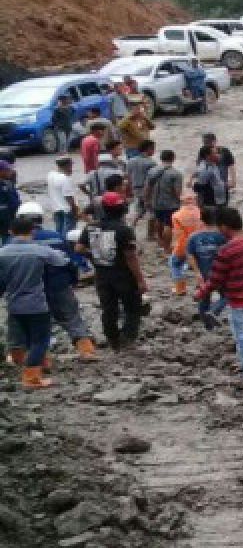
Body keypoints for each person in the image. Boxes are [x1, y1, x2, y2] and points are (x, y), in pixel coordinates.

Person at [195, 207, 243, 382]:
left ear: (223, 227)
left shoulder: (227, 251)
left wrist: (201, 293)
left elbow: (215, 280)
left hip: (241, 298)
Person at [0, 216, 71, 388]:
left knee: (21, 338)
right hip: (36, 303)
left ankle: (27, 364)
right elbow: (62, 260)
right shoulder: (39, 250)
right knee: (40, 341)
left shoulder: (3, 252)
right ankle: (31, 377)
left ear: (11, 232)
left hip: (14, 303)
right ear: (32, 231)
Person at [77, 194, 147, 351]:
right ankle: (127, 338)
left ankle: (112, 339)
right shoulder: (124, 230)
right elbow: (131, 257)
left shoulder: (91, 227)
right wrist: (140, 280)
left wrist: (95, 256)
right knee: (132, 307)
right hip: (123, 275)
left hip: (102, 275)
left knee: (108, 309)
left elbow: (79, 248)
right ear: (122, 209)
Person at [186, 207, 229, 328]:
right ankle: (214, 311)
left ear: (201, 218)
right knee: (227, 295)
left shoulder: (193, 237)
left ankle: (207, 326)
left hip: (203, 272)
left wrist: (196, 272)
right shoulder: (222, 236)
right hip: (220, 273)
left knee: (204, 299)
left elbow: (190, 255)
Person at [144, 149, 184, 252]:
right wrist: (183, 200)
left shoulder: (152, 171)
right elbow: (177, 192)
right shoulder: (176, 173)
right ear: (173, 158)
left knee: (159, 221)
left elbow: (148, 187)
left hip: (156, 202)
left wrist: (146, 199)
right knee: (169, 225)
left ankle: (160, 243)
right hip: (170, 204)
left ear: (161, 158)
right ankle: (167, 247)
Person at [168, 193, 204, 296]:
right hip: (199, 244)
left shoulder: (176, 215)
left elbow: (177, 233)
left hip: (183, 245)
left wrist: (173, 244)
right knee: (200, 266)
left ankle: (180, 289)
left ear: (182, 201)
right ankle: (202, 286)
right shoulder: (200, 212)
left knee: (175, 265)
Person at [126, 140, 157, 232]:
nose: (154, 151)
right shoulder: (151, 163)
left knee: (140, 210)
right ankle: (151, 234)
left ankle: (132, 227)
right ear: (148, 149)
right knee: (152, 211)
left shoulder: (131, 161)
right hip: (147, 189)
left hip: (136, 189)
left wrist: (130, 190)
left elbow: (128, 177)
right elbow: (152, 179)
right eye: (153, 149)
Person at [46, 157, 80, 237]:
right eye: (71, 166)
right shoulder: (65, 179)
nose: (72, 169)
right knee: (68, 235)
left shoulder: (51, 175)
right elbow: (68, 197)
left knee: (59, 232)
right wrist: (75, 210)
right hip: (67, 210)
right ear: (67, 166)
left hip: (56, 209)